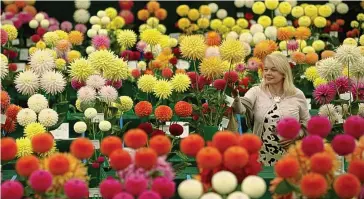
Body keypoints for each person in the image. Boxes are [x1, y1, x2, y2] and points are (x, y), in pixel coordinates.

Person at [232, 53, 310, 166]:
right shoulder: (255, 92)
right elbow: (241, 109)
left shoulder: (297, 94)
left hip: (291, 159)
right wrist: (236, 98)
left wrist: (297, 135)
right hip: (261, 159)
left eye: (273, 70)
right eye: (266, 69)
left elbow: (307, 123)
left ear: (283, 73)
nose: (268, 73)